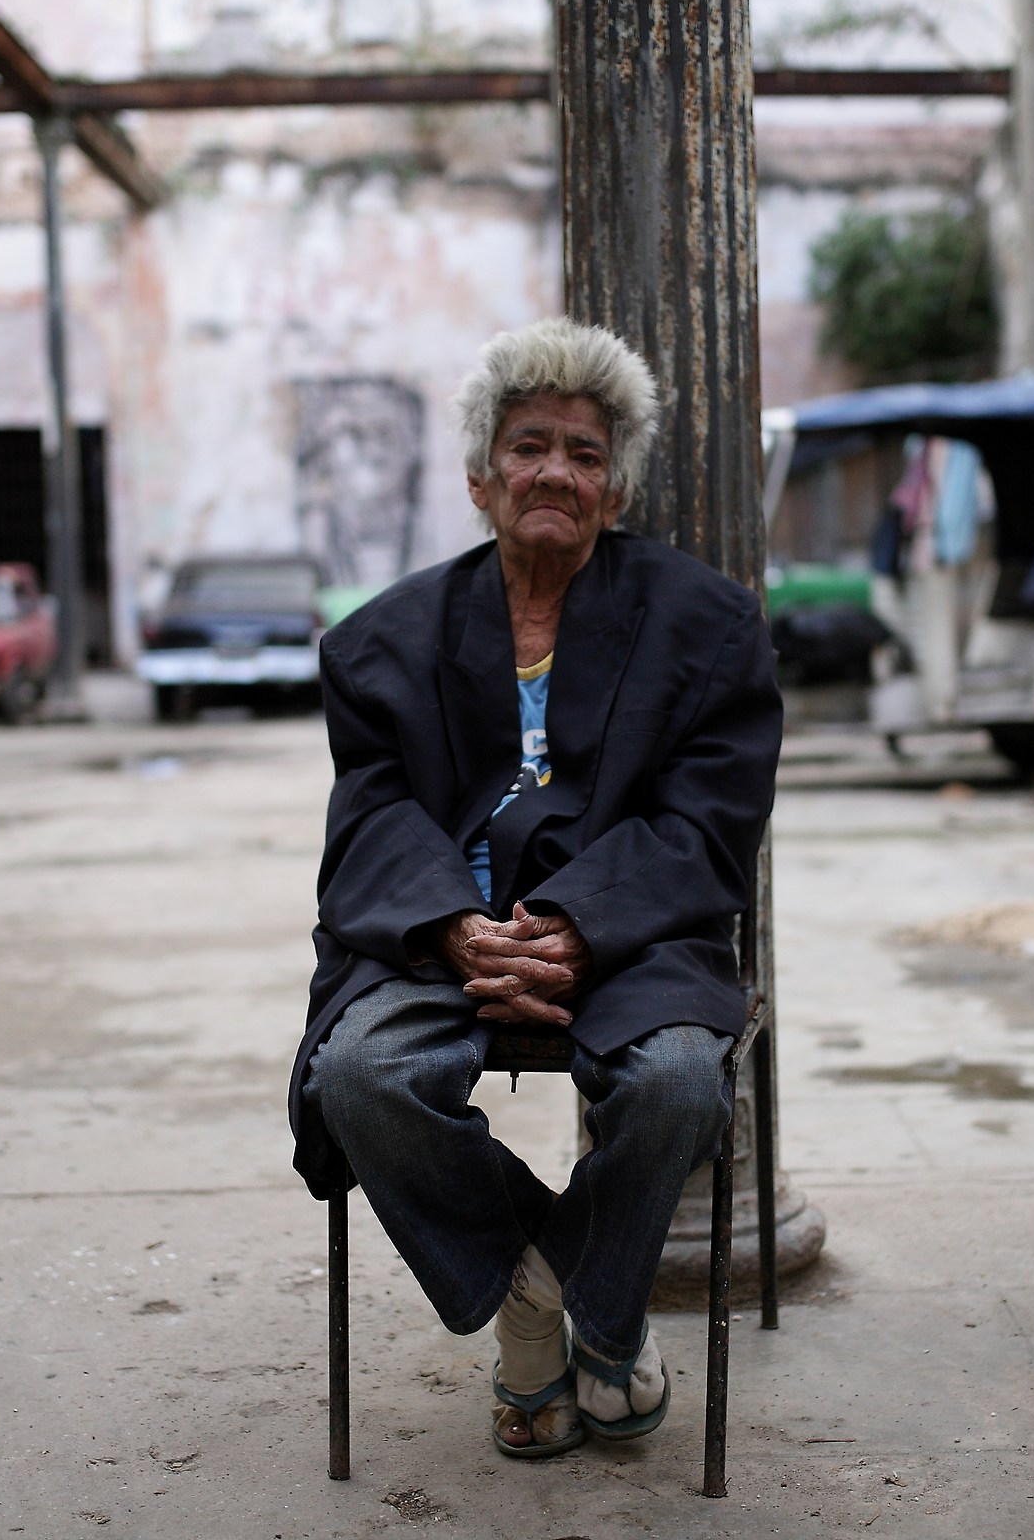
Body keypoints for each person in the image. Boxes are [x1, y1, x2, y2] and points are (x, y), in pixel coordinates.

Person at [288, 317, 783, 1460]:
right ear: (479, 476)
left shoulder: (709, 629)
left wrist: (576, 920)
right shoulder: (381, 644)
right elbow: (369, 815)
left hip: (633, 942)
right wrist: (458, 927)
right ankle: (568, 1302)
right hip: (429, 939)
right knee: (360, 1077)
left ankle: (567, 1314)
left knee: (674, 1087)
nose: (556, 468)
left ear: (612, 493)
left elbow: (710, 825)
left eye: (586, 452)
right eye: (529, 445)